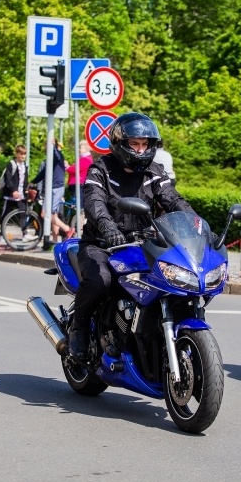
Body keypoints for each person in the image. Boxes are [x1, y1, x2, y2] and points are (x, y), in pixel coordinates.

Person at [67, 112, 193, 361]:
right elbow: (94, 203)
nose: (141, 149)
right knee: (100, 280)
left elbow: (173, 199)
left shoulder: (155, 172)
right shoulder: (100, 169)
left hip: (142, 244)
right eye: (134, 144)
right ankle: (78, 329)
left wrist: (197, 226)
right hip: (102, 244)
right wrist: (108, 229)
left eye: (145, 144)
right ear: (120, 143)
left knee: (172, 280)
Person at [32, 137, 73, 241]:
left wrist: (53, 146)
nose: (46, 148)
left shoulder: (58, 155)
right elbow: (43, 173)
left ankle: (67, 229)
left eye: (48, 146)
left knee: (48, 214)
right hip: (50, 188)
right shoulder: (49, 159)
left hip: (56, 187)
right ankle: (55, 240)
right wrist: (33, 182)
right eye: (46, 146)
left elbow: (56, 155)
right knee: (47, 214)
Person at [1, 144, 29, 223]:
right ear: (16, 154)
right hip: (11, 193)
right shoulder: (11, 164)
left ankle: (24, 231)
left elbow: (25, 179)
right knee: (6, 212)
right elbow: (8, 179)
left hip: (21, 194)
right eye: (21, 154)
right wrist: (13, 190)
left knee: (23, 212)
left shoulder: (25, 165)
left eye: (24, 154)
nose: (23, 156)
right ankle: (2, 233)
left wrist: (26, 189)